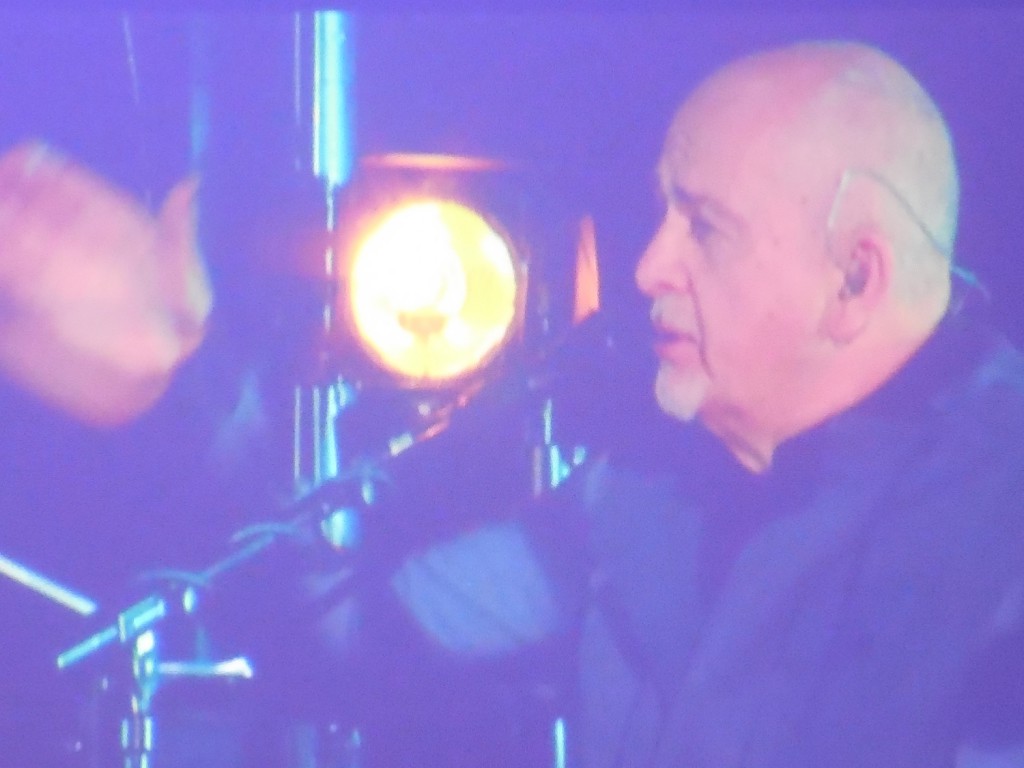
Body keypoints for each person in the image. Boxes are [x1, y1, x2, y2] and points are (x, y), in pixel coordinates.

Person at [359, 38, 1024, 768]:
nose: (648, 269)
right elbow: (379, 633)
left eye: (705, 227)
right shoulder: (644, 485)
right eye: (663, 215)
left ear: (854, 282)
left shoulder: (999, 533)